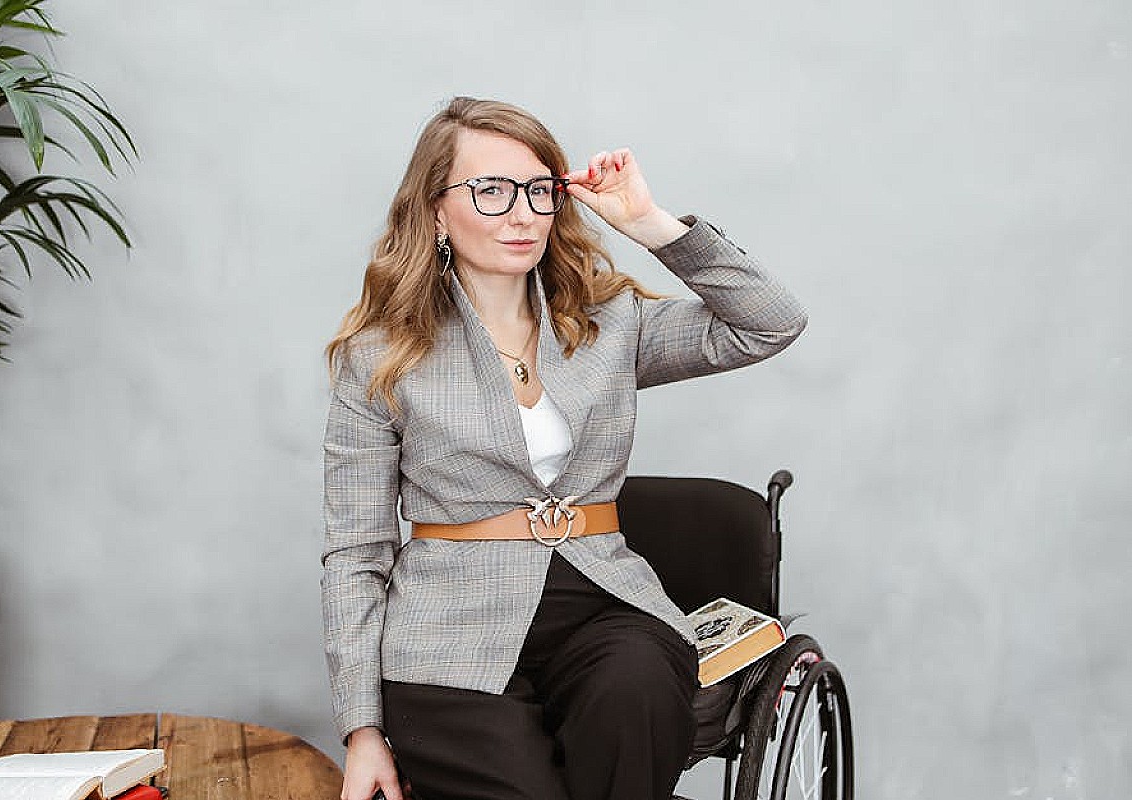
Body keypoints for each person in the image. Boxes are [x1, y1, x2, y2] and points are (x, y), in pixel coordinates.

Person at [322, 96, 807, 800]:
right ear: (434, 211)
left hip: (601, 602)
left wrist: (650, 224)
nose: (522, 214)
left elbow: (770, 323)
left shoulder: (609, 324)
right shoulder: (379, 357)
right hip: (446, 628)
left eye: (539, 190)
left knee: (636, 689)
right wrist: (362, 730)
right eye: (491, 190)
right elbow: (356, 553)